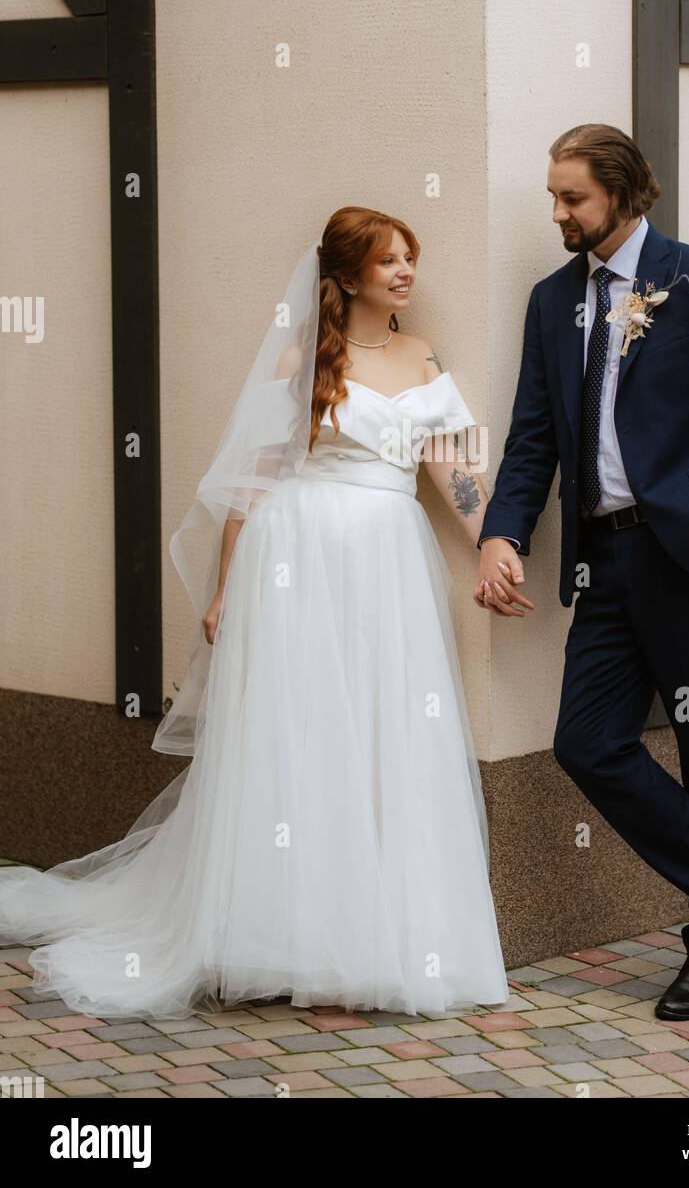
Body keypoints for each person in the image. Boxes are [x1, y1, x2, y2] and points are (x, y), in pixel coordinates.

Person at [0, 206, 509, 1021]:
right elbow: (254, 479)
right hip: (296, 555)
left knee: (384, 726)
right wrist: (229, 585)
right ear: (346, 276)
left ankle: (380, 931)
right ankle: (275, 935)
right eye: (387, 261)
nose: (405, 271)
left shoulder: (422, 358)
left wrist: (493, 542)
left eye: (410, 257)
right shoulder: (301, 357)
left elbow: (453, 470)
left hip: (388, 560)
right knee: (298, 733)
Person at [475, 123, 689, 1021]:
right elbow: (533, 437)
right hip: (603, 562)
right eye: (552, 196)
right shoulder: (552, 302)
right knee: (585, 742)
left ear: (623, 196)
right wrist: (501, 531)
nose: (557, 212)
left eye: (571, 198)